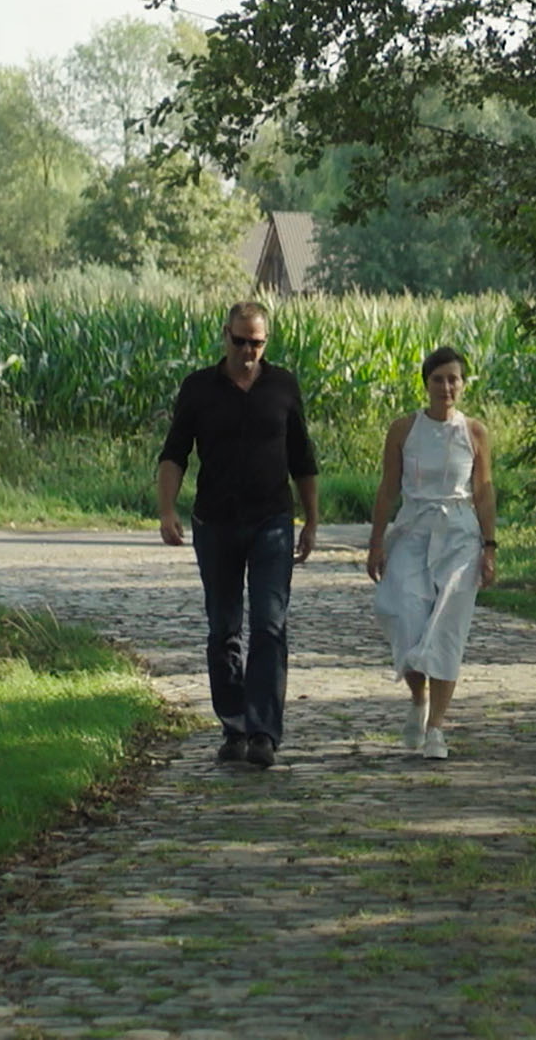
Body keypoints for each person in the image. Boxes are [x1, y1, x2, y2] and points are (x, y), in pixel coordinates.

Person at [159, 301, 320, 770]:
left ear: (266, 342)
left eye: (257, 342)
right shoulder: (198, 388)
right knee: (224, 629)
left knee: (270, 624)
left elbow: (302, 458)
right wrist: (167, 510)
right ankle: (234, 725)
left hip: (272, 520)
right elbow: (174, 454)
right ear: (224, 335)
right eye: (240, 340)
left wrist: (311, 520)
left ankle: (264, 732)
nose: (248, 351)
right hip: (216, 522)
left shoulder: (283, 386)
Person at [364, 346, 499, 761]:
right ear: (426, 383)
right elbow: (388, 487)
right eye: (438, 378)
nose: (446, 386)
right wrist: (376, 540)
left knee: (446, 626)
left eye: (453, 379)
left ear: (463, 384)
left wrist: (489, 546)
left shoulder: (473, 432)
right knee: (406, 617)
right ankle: (418, 698)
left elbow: (483, 491)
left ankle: (437, 727)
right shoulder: (404, 430)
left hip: (459, 535)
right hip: (413, 530)